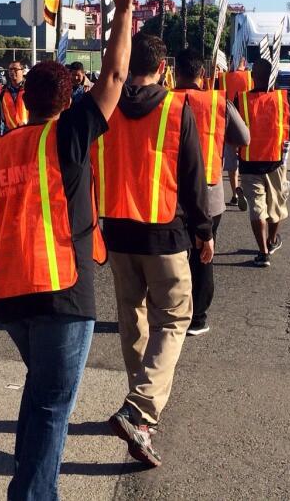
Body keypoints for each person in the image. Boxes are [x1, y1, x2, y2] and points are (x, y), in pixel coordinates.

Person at [0, 0, 136, 501]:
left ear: (24, 99)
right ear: (67, 99)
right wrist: (123, 10)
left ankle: (34, 482)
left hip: (8, 295)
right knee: (52, 406)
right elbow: (116, 75)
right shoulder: (68, 134)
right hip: (61, 290)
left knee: (40, 396)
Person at [94, 33, 212, 467]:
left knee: (133, 318)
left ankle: (138, 408)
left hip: (118, 232)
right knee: (175, 318)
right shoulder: (174, 108)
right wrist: (204, 231)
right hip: (163, 231)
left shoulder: (105, 105)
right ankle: (140, 411)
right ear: (162, 68)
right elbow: (193, 175)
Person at [172, 48, 249, 335]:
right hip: (211, 195)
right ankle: (198, 318)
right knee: (204, 255)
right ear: (202, 74)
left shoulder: (164, 101)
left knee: (175, 256)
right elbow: (244, 137)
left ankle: (172, 311)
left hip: (171, 192)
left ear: (175, 72)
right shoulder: (218, 102)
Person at [236, 52, 290, 267]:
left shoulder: (241, 99)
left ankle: (263, 252)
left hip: (248, 164)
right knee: (277, 207)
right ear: (272, 76)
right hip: (275, 163)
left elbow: (233, 132)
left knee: (257, 208)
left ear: (253, 76)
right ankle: (272, 240)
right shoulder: (283, 99)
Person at [219, 59, 253, 210]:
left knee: (232, 162)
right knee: (246, 160)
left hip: (228, 123)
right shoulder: (250, 77)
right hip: (247, 123)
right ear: (245, 63)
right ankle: (246, 190)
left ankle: (235, 194)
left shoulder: (224, 78)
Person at [0, 60, 29, 135]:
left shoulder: (30, 89)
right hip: (9, 133)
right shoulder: (3, 91)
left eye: (15, 69)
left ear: (23, 71)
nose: (12, 71)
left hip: (27, 131)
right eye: (10, 69)